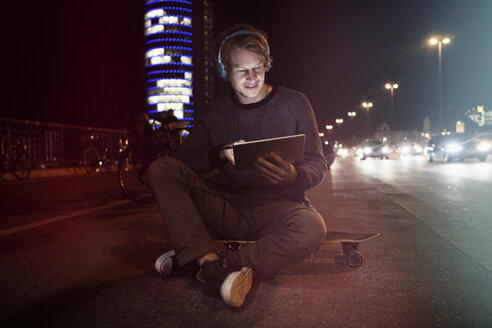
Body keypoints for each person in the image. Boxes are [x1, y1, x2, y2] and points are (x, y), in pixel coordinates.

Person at [147, 24, 327, 308]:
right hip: (226, 206)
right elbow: (182, 162)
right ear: (225, 72)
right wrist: (219, 153)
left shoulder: (295, 103)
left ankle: (208, 262)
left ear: (267, 64)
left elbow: (318, 164)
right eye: (242, 70)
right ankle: (206, 258)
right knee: (161, 169)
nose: (252, 77)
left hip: (278, 207)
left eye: (257, 67)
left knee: (312, 229)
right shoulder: (213, 113)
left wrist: (295, 175)